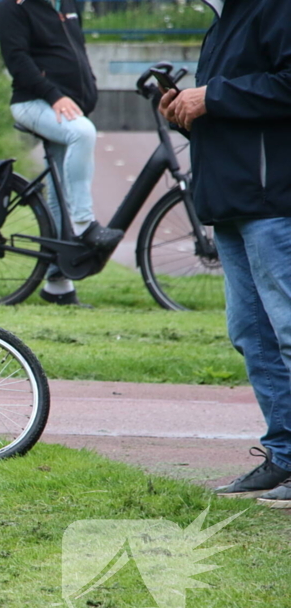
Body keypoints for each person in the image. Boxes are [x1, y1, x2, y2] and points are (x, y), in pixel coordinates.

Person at [159, 0, 291, 508]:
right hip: (232, 198)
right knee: (251, 333)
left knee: (286, 330)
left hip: (272, 199)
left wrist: (212, 96)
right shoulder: (223, 21)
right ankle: (283, 455)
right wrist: (183, 110)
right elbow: (230, 109)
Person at [0, 0, 123, 307]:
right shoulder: (13, 7)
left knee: (59, 194)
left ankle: (58, 286)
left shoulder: (68, 3)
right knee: (83, 133)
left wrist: (87, 92)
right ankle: (84, 225)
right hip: (32, 103)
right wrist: (54, 96)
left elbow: (78, 51)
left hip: (65, 106)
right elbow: (17, 61)